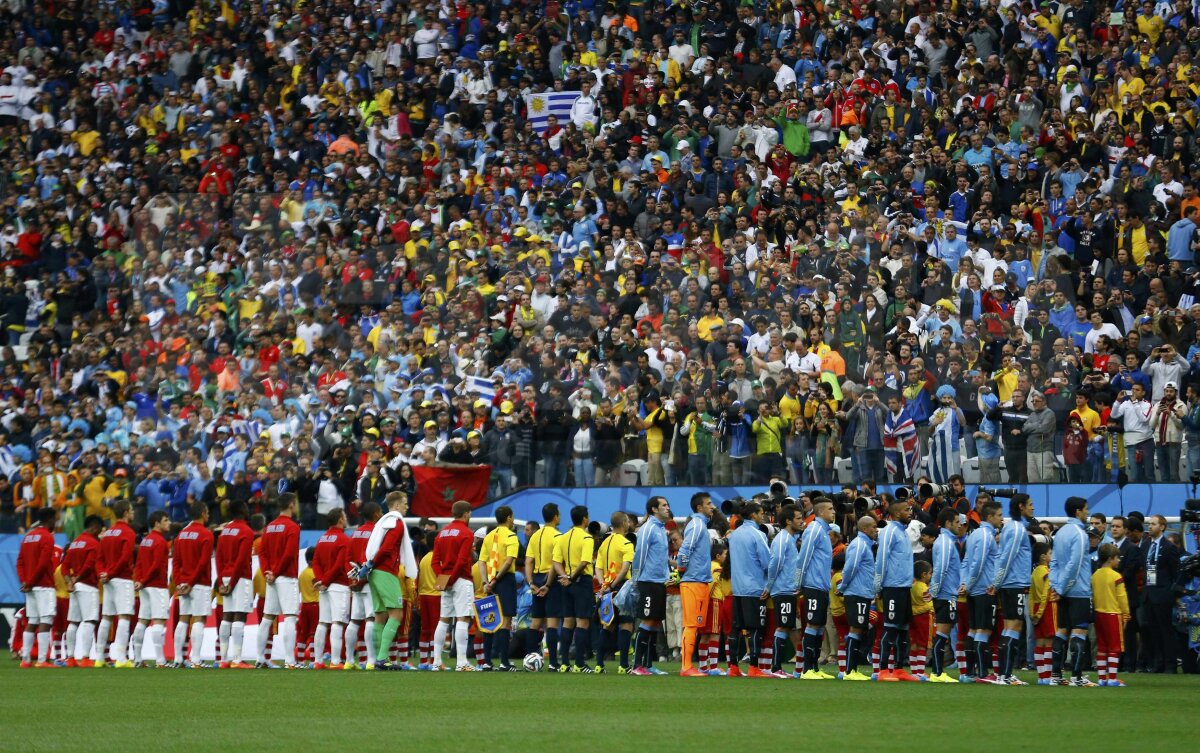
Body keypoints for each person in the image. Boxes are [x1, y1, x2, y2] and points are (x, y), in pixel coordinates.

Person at [359, 491, 419, 671]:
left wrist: (370, 564)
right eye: (405, 503)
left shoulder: (383, 522)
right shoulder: (396, 523)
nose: (407, 507)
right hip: (385, 571)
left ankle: (378, 658)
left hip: (375, 572)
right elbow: (386, 549)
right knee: (397, 613)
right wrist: (371, 563)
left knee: (380, 615)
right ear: (397, 505)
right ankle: (382, 658)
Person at [1050, 497, 1097, 686]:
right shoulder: (1080, 533)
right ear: (1078, 511)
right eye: (1086, 509)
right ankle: (1076, 677)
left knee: (1062, 631)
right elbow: (1075, 565)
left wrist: (1055, 586)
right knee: (1079, 631)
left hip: (1062, 589)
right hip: (1078, 590)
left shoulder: (1060, 533)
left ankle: (1055, 676)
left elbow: (1054, 562)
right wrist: (1061, 588)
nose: (1088, 512)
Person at [727, 500, 771, 678]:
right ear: (754, 515)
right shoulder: (758, 535)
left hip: (737, 587)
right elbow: (767, 562)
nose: (763, 516)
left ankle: (733, 667)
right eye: (761, 513)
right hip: (754, 588)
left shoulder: (734, 535)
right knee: (755, 628)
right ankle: (754, 667)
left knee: (736, 628)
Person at [874, 499, 918, 682]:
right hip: (892, 587)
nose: (910, 512)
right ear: (897, 513)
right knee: (890, 628)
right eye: (907, 510)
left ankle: (899, 669)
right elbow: (882, 559)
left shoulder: (903, 532)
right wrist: (878, 586)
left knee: (902, 629)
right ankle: (883, 670)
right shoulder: (889, 531)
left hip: (904, 587)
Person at [431, 500, 477, 671]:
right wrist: (452, 579)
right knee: (463, 618)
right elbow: (462, 560)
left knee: (443, 619)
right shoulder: (467, 533)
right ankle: (461, 662)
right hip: (461, 579)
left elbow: (434, 561)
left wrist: (442, 578)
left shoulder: (442, 533)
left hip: (446, 580)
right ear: (466, 514)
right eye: (470, 513)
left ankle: (437, 662)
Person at [257, 493, 302, 668]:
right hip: (286, 577)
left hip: (271, 578)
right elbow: (289, 554)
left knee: (267, 617)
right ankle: (290, 660)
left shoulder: (269, 527)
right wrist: (275, 573)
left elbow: (262, 553)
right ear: (291, 505)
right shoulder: (292, 527)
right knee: (290, 617)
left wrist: (267, 572)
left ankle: (260, 658)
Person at [993, 497, 1033, 685]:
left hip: (1010, 583)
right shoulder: (1017, 528)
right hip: (1013, 583)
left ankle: (1003, 674)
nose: (1033, 508)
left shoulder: (1010, 527)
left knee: (1010, 627)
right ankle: (1006, 675)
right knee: (1014, 627)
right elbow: (1008, 557)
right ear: (1021, 506)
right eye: (1030, 504)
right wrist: (997, 582)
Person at [630, 496, 672, 676]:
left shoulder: (661, 529)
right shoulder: (648, 528)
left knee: (654, 622)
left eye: (667, 505)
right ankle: (636, 665)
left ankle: (648, 665)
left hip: (659, 582)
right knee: (647, 621)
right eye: (664, 505)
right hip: (647, 581)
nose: (668, 508)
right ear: (654, 509)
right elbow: (640, 554)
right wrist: (636, 579)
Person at [796, 499, 836, 679]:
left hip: (821, 586)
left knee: (819, 625)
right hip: (812, 585)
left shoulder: (824, 531)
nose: (833, 512)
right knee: (812, 624)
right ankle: (807, 670)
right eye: (830, 509)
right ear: (820, 512)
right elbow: (804, 557)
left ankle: (814, 668)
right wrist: (798, 583)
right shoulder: (813, 529)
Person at [964, 500, 1002, 683]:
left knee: (973, 629)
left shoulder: (973, 535)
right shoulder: (987, 536)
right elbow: (978, 564)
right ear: (990, 516)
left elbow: (966, 562)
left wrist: (965, 584)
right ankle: (983, 674)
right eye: (999, 515)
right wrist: (969, 584)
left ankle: (970, 672)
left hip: (973, 590)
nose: (1001, 519)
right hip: (984, 589)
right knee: (984, 630)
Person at [173, 503, 214, 668]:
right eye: (207, 512)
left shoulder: (181, 534)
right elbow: (203, 562)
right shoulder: (206, 534)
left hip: (183, 583)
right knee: (199, 618)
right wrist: (191, 582)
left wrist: (179, 583)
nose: (208, 515)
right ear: (203, 513)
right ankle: (196, 659)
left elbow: (176, 561)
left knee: (183, 619)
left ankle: (178, 659)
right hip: (199, 582)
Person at [677, 492, 714, 677]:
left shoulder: (701, 525)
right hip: (693, 581)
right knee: (691, 625)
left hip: (699, 580)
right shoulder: (697, 524)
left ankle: (688, 665)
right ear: (699, 507)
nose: (712, 506)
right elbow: (685, 549)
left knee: (694, 625)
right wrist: (682, 569)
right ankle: (686, 666)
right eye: (708, 503)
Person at [96, 501, 137, 668]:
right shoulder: (128, 532)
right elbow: (125, 557)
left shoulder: (108, 533)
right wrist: (111, 573)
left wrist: (102, 573)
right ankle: (121, 658)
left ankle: (99, 658)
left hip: (108, 581)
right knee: (124, 616)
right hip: (122, 579)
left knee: (106, 617)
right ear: (126, 512)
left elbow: (99, 558)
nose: (133, 513)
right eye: (132, 510)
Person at [215, 500, 255, 669]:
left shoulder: (225, 531)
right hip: (240, 578)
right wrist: (232, 582)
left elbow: (218, 556)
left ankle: (224, 659)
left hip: (225, 576)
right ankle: (237, 659)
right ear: (242, 510)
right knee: (239, 615)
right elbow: (242, 559)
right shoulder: (246, 530)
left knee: (227, 615)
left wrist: (221, 581)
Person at [16, 508, 58, 668]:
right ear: (49, 520)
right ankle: (42, 660)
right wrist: (31, 582)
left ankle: (25, 659)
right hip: (44, 585)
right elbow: (43, 563)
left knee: (32, 620)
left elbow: (20, 562)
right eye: (55, 520)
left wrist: (25, 581)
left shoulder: (28, 537)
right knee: (46, 620)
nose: (56, 523)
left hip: (30, 587)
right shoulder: (47, 537)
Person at [838, 516, 878, 681]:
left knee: (859, 629)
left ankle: (852, 669)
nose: (876, 530)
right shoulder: (859, 544)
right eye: (873, 527)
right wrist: (843, 586)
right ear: (864, 529)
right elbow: (851, 567)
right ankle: (849, 671)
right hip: (856, 592)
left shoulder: (865, 544)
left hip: (863, 593)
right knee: (855, 629)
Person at [1141, 514, 1182, 674]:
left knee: (1166, 631)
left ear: (1162, 527)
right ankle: (1157, 663)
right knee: (1153, 631)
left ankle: (1170, 664)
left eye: (1153, 524)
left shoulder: (1169, 547)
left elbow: (1176, 572)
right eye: (1149, 524)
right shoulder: (1146, 545)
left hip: (1163, 594)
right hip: (1148, 594)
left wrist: (1171, 592)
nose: (1150, 526)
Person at [927, 507, 965, 683]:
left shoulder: (946, 541)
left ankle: (938, 671)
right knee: (942, 634)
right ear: (948, 523)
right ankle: (937, 672)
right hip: (945, 594)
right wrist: (934, 592)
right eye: (957, 522)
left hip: (948, 593)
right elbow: (940, 569)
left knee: (944, 634)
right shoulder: (945, 543)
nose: (960, 525)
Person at [481, 505, 521, 671]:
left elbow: (482, 561)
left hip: (490, 579)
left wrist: (486, 582)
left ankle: (487, 662)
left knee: (489, 619)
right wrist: (496, 579)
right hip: (504, 579)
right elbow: (509, 561)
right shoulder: (511, 536)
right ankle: (504, 662)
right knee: (506, 620)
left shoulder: (489, 536)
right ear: (509, 518)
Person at [130, 511, 172, 668]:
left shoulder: (145, 541)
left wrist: (139, 581)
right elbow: (156, 566)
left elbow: (139, 564)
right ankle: (160, 660)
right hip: (157, 585)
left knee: (143, 620)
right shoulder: (160, 542)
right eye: (165, 520)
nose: (169, 522)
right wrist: (144, 581)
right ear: (157, 523)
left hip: (145, 586)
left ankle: (138, 659)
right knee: (159, 620)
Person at [766, 503, 803, 678]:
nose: (802, 521)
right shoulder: (782, 539)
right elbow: (775, 562)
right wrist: (769, 586)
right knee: (783, 626)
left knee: (787, 626)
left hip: (788, 589)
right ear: (788, 521)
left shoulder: (790, 539)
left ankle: (781, 667)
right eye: (798, 518)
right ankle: (775, 668)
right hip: (782, 589)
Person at [312, 508, 351, 670]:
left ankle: (318, 661)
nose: (346, 518)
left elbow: (315, 562)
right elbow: (339, 565)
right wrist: (326, 581)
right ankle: (335, 661)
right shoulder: (344, 539)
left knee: (322, 623)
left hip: (324, 586)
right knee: (337, 622)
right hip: (338, 585)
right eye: (345, 516)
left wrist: (321, 580)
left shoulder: (322, 539)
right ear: (340, 520)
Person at [595, 511, 634, 674]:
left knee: (608, 625)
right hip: (622, 586)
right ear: (624, 523)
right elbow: (625, 569)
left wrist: (604, 585)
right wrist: (614, 584)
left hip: (606, 588)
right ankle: (623, 665)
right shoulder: (626, 544)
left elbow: (598, 567)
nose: (629, 523)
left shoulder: (604, 543)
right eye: (628, 521)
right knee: (626, 624)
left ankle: (599, 665)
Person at [63, 515, 104, 668]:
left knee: (73, 622)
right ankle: (85, 658)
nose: (100, 532)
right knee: (89, 621)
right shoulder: (93, 543)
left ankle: (70, 658)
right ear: (94, 527)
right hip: (87, 586)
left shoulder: (75, 543)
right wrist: (78, 578)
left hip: (74, 588)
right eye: (100, 529)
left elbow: (65, 566)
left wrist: (70, 581)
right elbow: (89, 565)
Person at [524, 503, 562, 670]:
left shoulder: (535, 535)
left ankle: (529, 659)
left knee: (535, 623)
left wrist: (531, 583)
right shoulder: (558, 536)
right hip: (550, 580)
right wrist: (548, 584)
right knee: (552, 622)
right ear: (555, 517)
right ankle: (553, 663)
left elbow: (529, 561)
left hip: (536, 579)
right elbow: (555, 562)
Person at [345, 502, 380, 670]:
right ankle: (371, 661)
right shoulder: (376, 532)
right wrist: (363, 579)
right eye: (380, 512)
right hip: (369, 581)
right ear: (376, 514)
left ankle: (349, 661)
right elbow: (373, 558)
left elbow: (348, 558)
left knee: (354, 621)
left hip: (356, 582)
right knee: (370, 619)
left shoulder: (356, 533)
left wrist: (353, 580)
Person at [1092, 543, 1131, 687]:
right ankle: (1113, 678)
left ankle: (1102, 678)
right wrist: (1126, 615)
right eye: (1117, 558)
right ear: (1110, 559)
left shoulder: (1095, 575)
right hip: (1113, 614)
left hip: (1098, 614)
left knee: (1102, 647)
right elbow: (1122, 597)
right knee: (1114, 647)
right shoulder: (1116, 576)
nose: (1119, 560)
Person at [1029, 543, 1055, 684]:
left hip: (1036, 607)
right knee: (1049, 643)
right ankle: (1047, 676)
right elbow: (1046, 593)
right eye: (1050, 553)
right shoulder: (1047, 572)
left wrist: (1032, 612)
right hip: (1047, 608)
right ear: (1043, 557)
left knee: (1039, 642)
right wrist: (1040, 613)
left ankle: (1041, 676)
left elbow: (1031, 594)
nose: (1052, 556)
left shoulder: (1034, 572)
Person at [909, 560, 934, 680]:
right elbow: (929, 605)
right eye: (930, 573)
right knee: (923, 645)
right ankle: (920, 672)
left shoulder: (912, 586)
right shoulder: (924, 588)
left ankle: (914, 672)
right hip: (924, 617)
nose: (931, 576)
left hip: (913, 618)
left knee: (914, 644)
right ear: (924, 575)